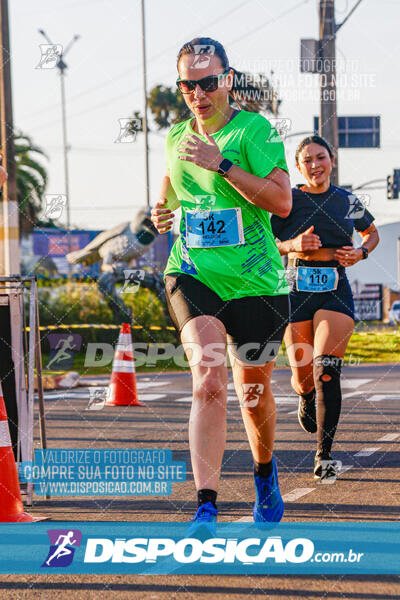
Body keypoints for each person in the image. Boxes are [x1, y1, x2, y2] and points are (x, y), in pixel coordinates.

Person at [151, 37, 292, 527]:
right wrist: (161, 212)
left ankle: (264, 469)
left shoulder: (256, 131)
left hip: (256, 281)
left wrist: (223, 164)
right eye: (188, 85)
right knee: (208, 381)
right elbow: (171, 189)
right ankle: (206, 504)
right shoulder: (175, 137)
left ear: (227, 80)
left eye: (208, 82)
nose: (198, 93)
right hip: (193, 272)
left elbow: (281, 203)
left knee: (253, 396)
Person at [271, 135, 379, 482]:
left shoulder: (347, 200)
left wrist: (361, 252)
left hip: (335, 287)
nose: (316, 165)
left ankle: (324, 455)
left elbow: (371, 233)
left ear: (332, 161)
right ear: (299, 167)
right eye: (308, 160)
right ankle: (304, 395)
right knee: (304, 376)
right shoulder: (288, 201)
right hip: (296, 288)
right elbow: (266, 243)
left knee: (326, 370)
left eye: (322, 157)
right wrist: (292, 245)